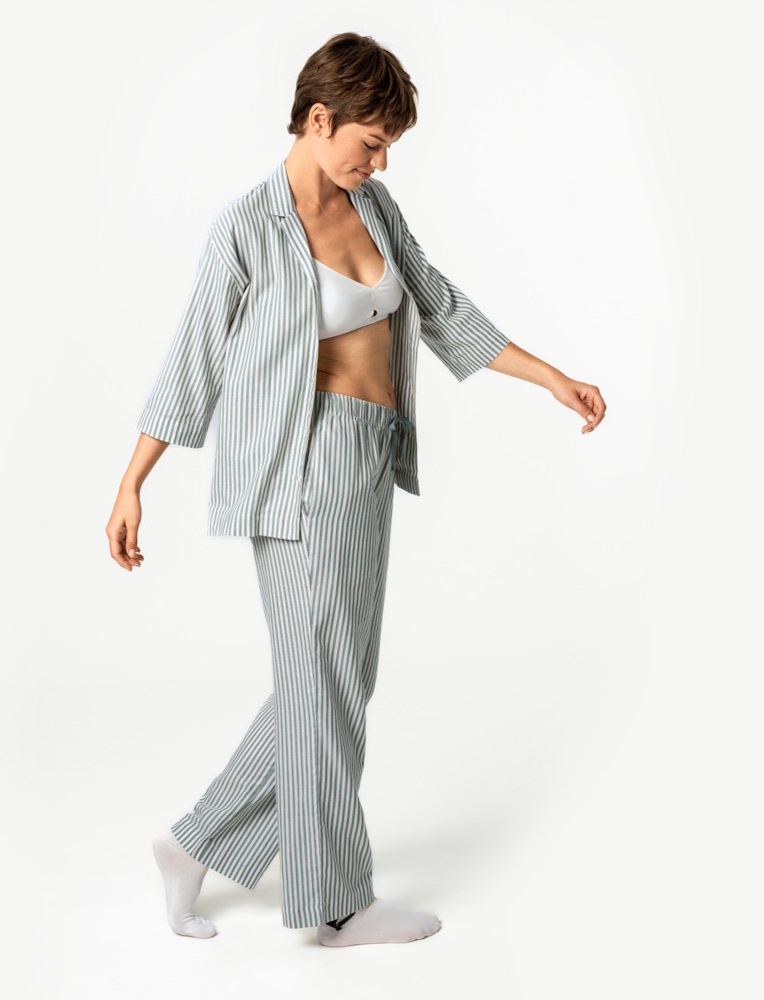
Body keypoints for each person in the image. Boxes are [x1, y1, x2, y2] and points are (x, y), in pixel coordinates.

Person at [105, 31, 606, 948]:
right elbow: (193, 360)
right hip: (296, 468)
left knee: (335, 680)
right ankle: (337, 904)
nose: (379, 164)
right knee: (326, 682)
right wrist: (133, 482)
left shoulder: (374, 208)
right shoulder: (247, 229)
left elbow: (439, 304)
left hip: (371, 457)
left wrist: (551, 378)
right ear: (318, 118)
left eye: (388, 148)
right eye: (371, 143)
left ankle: (193, 844)